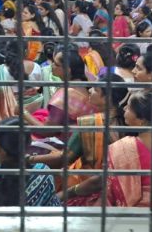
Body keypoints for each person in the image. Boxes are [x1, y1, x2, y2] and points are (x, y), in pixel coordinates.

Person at [30, 74, 129, 206]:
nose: (90, 91)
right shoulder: (127, 121)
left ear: (107, 98)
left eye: (95, 90)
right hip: (121, 188)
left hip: (88, 190)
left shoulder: (90, 124)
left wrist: (28, 159)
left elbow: (64, 158)